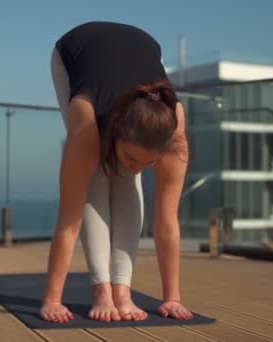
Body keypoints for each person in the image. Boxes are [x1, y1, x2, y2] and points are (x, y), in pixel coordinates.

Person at [41, 21, 194, 323]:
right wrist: (52, 300)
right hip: (76, 50)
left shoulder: (174, 132)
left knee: (126, 178)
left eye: (148, 163)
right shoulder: (87, 115)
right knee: (96, 173)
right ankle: (101, 290)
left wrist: (172, 297)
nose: (136, 166)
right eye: (129, 156)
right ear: (114, 133)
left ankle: (122, 291)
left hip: (145, 47)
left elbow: (166, 222)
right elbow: (69, 221)